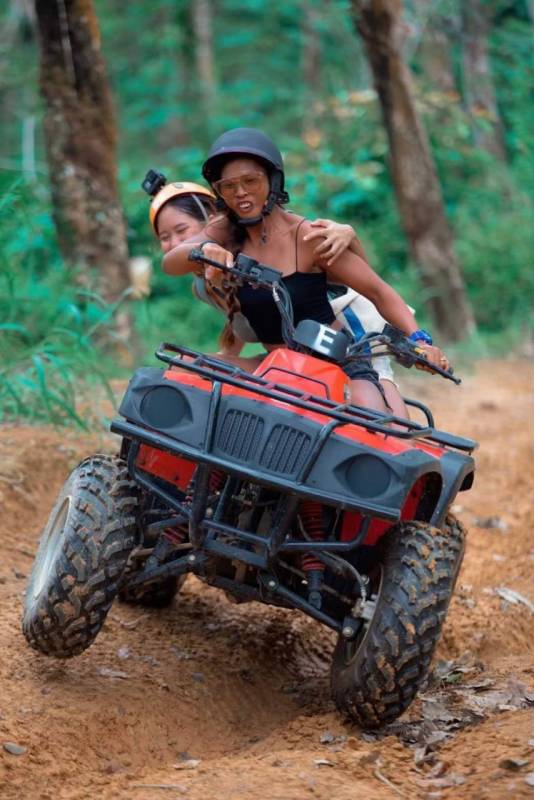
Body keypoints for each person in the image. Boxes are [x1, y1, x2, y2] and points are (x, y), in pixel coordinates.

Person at [160, 129, 449, 412]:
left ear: (272, 181)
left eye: (251, 181)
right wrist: (203, 250)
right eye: (229, 186)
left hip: (336, 363)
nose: (241, 192)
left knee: (372, 422)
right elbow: (170, 263)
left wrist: (420, 340)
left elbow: (378, 291)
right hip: (276, 367)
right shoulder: (224, 230)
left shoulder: (309, 237)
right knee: (184, 368)